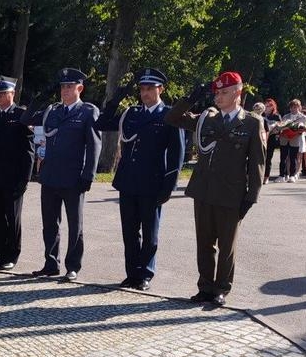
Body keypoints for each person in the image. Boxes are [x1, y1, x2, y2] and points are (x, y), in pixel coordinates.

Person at [165, 71, 265, 306]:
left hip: (232, 194)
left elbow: (257, 163)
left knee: (227, 246)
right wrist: (191, 98)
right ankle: (205, 287)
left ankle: (221, 288)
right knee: (204, 243)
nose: (218, 97)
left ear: (238, 93)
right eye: (216, 93)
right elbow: (172, 117)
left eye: (224, 92)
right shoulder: (206, 119)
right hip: (203, 191)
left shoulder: (251, 122)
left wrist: (251, 197)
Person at [94, 68, 184, 290]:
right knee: (130, 231)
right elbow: (102, 123)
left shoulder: (170, 115)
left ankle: (145, 273)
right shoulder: (132, 113)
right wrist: (117, 97)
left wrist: (169, 185)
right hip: (128, 181)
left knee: (150, 232)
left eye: (150, 89)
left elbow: (177, 153)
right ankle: (132, 273)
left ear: (160, 89)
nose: (145, 93)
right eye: (142, 89)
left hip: (152, 182)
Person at [22, 68, 102, 281]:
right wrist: (41, 97)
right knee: (50, 223)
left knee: (75, 225)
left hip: (74, 178)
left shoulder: (87, 112)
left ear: (80, 88)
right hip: (50, 175)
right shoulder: (52, 111)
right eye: (62, 87)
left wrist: (89, 174)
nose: (65, 90)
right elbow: (26, 119)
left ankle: (73, 266)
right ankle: (50, 263)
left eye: (69, 86)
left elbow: (94, 145)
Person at [0, 76, 35, 270]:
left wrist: (25, 178)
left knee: (13, 217)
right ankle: (0, 253)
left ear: (12, 94)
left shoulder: (21, 114)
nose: (0, 97)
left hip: (13, 177)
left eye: (4, 94)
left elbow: (28, 151)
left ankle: (12, 254)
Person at [276, 99, 306, 183]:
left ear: (299, 107)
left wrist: (295, 128)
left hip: (295, 138)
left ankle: (292, 175)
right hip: (284, 138)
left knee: (293, 158)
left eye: (296, 107)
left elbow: (302, 129)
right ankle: (281, 175)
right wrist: (285, 127)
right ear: (290, 108)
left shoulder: (303, 117)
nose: (294, 109)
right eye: (292, 107)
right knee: (283, 158)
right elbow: (281, 126)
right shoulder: (285, 116)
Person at [262, 99, 282, 183]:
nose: (267, 107)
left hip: (271, 139)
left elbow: (279, 129)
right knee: (260, 158)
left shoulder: (276, 116)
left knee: (268, 158)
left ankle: (266, 177)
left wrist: (273, 128)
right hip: (261, 139)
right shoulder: (260, 114)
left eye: (269, 106)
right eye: (266, 105)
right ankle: (259, 175)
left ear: (273, 107)